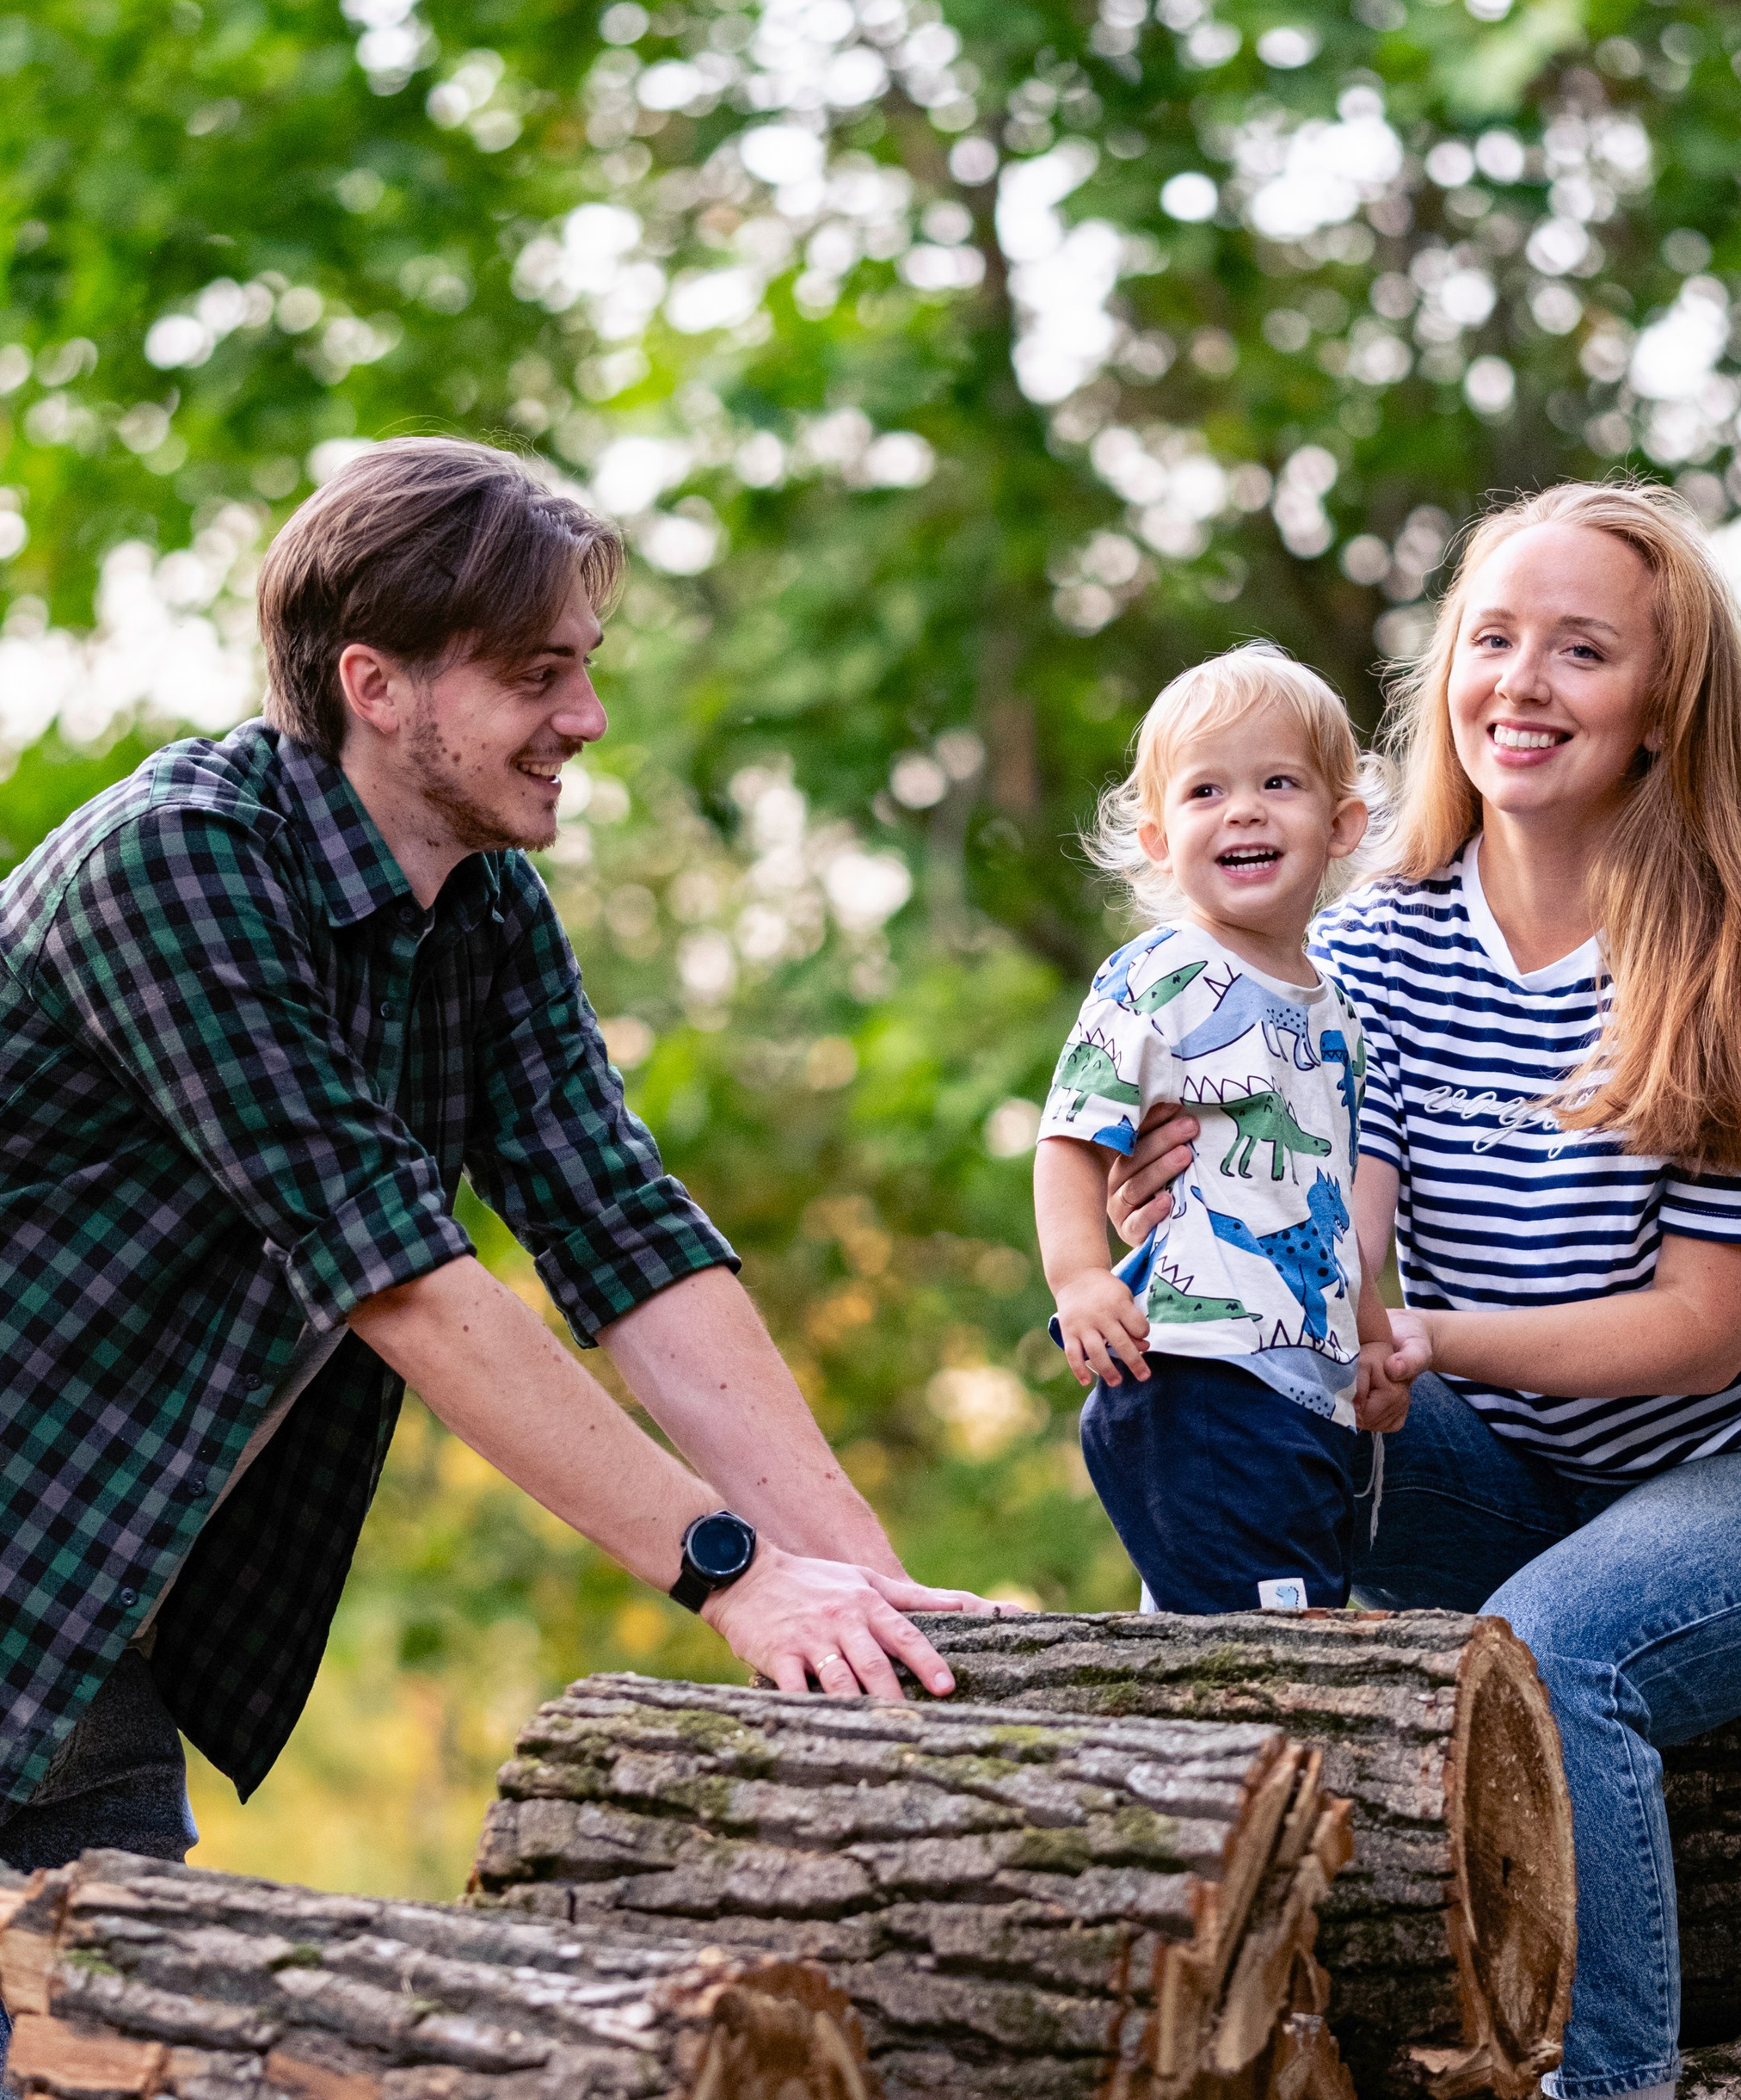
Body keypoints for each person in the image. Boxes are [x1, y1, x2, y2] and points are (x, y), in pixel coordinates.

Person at [0, 436, 1000, 1901]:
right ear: (377, 684)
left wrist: (858, 1575)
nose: (586, 717)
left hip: (83, 1628)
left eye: (584, 667)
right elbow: (395, 1278)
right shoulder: (174, 870)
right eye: (537, 675)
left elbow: (623, 1228)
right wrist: (732, 1570)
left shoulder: (485, 915)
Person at [1105, 483, 1741, 2100]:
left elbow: (1702, 1335)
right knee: (1202, 1439)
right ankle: (1179, 1992)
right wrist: (1213, 1230)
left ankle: (1608, 2084)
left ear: (1662, 711)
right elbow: (1354, 1230)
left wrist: (1432, 1341)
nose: (1522, 684)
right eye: (1494, 640)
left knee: (1551, 1657)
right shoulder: (1378, 947)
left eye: (1583, 651)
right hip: (1511, 1475)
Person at [1033, 645, 1398, 1616]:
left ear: (1341, 824)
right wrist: (1077, 1278)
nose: (1242, 809)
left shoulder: (1337, 1013)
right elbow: (1073, 1133)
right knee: (1278, 1644)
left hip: (1303, 1389)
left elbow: (1323, 1202)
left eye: (1277, 782)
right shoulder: (1161, 972)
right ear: (1159, 838)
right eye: (1206, 790)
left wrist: (1368, 1344)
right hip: (1199, 1370)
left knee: (1239, 1639)